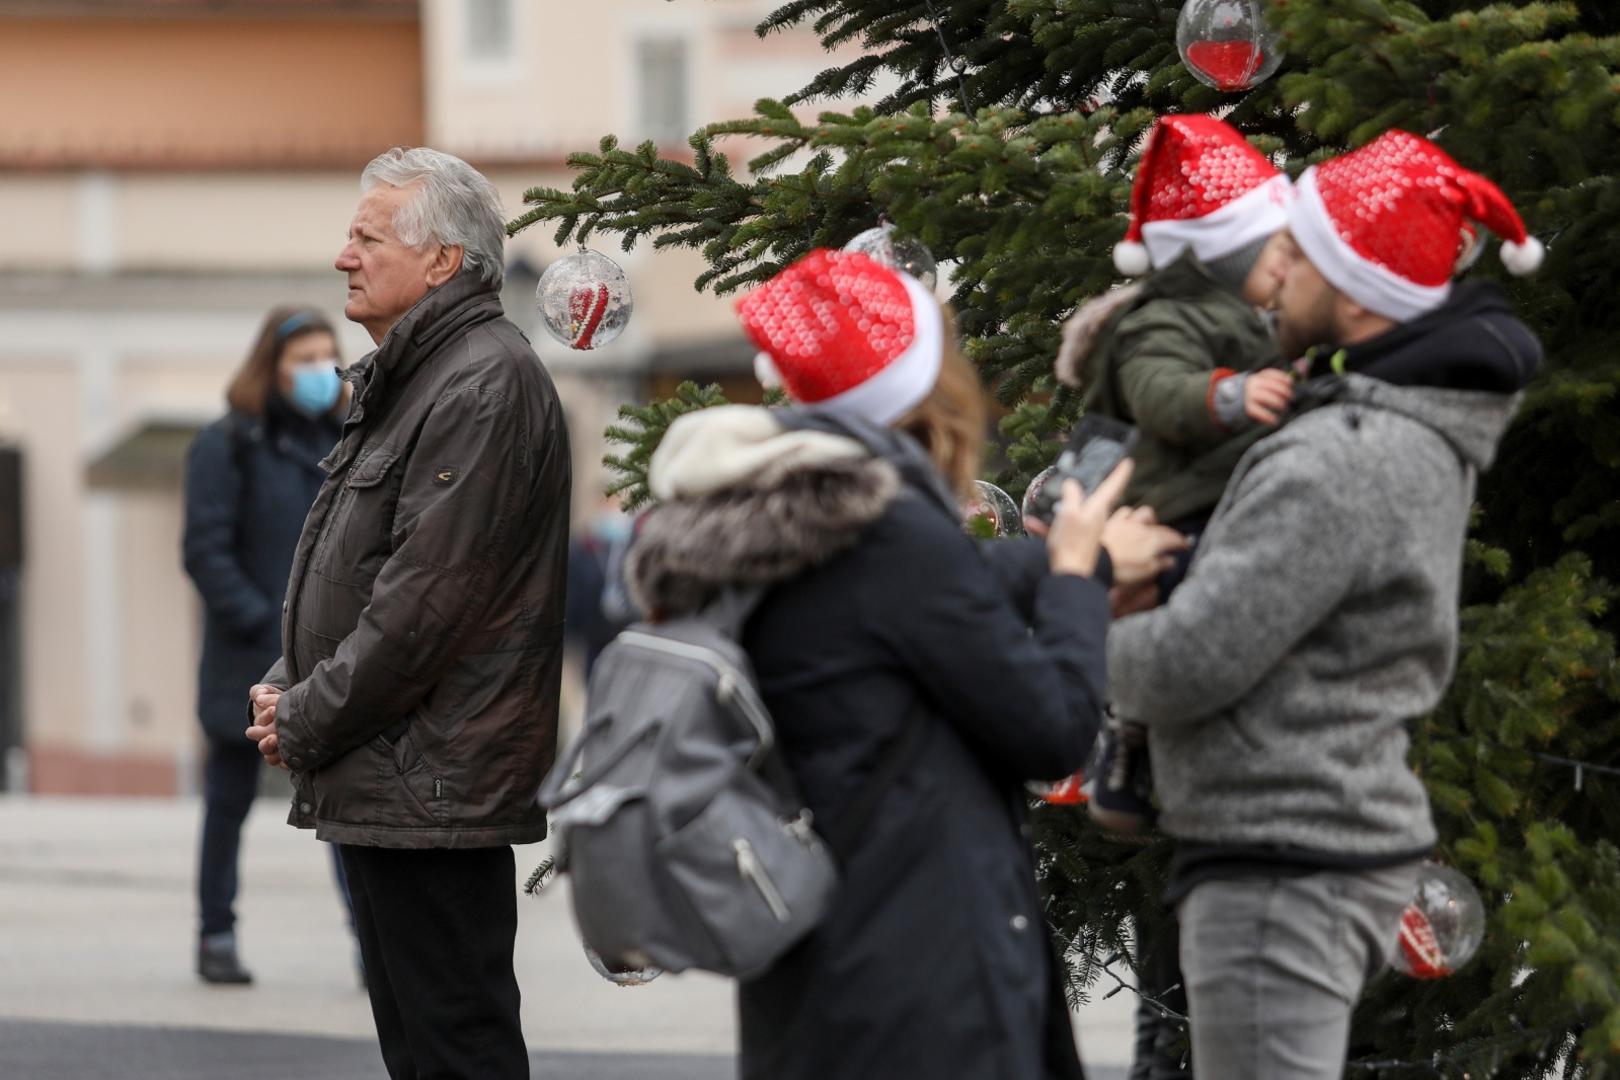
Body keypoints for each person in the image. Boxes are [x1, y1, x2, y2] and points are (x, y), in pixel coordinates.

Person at [625, 248, 1186, 1080]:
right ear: (923, 388)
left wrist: (1066, 561)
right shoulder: (894, 537)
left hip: (817, 960)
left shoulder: (776, 517)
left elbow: (919, 595)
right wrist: (1076, 577)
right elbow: (1053, 729)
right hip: (923, 974)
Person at [1106, 130, 1545, 1078]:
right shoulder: (1381, 432)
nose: (1278, 270)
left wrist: (1104, 596)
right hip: (1303, 845)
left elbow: (1182, 668)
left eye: (1299, 251)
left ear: (1349, 288)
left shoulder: (1339, 460)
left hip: (1284, 862)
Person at [245, 147, 571, 1080]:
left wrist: (303, 715)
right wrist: (287, 681)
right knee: (421, 1052)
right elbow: (351, 565)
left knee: (455, 1051)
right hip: (393, 773)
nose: (344, 256)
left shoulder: (483, 382)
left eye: (367, 236)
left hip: (435, 784)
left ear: (442, 262)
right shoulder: (412, 374)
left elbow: (428, 604)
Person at [1053, 112, 1297, 1080]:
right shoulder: (1165, 319)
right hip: (1171, 504)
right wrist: (1229, 399)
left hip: (1217, 499)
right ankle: (1124, 746)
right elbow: (1159, 393)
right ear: (1232, 251)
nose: (1289, 264)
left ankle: (1135, 747)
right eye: (1275, 247)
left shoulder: (1245, 314)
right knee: (1167, 625)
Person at [181, 305, 353, 986]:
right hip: (244, 651)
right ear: (271, 366)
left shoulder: (345, 439)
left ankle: (370, 945)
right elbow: (205, 551)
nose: (319, 371)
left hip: (330, 657)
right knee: (227, 801)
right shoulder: (228, 443)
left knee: (343, 804)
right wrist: (270, 625)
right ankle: (215, 934)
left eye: (326, 355)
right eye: (303, 357)